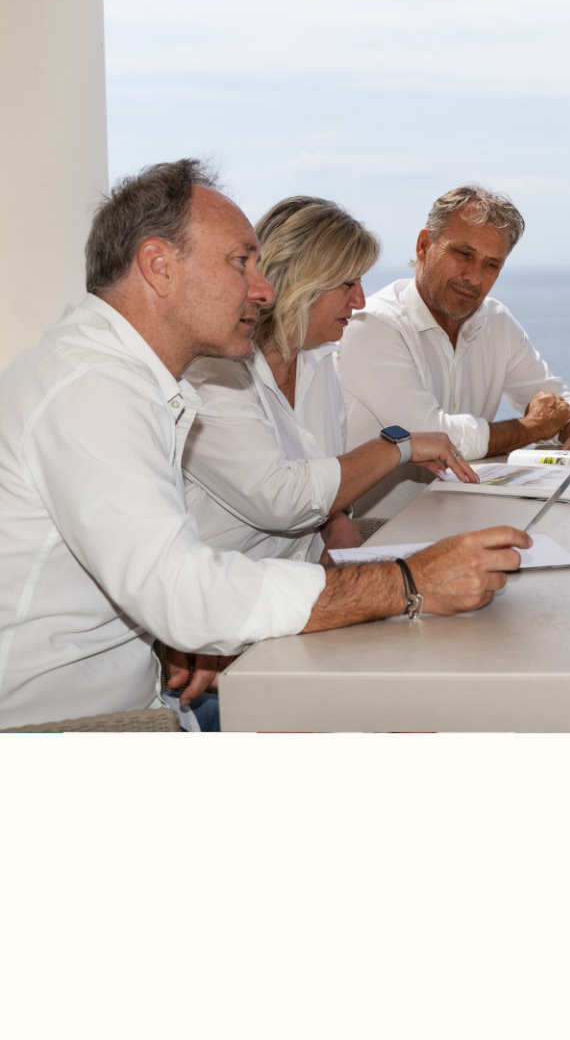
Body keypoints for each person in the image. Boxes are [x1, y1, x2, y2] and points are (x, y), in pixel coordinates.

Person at [0, 161, 528, 731]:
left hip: (146, 694)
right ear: (158, 266)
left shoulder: (125, 380)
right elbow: (187, 589)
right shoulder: (92, 392)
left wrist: (188, 631)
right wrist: (407, 581)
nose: (264, 288)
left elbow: (162, 580)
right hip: (63, 726)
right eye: (240, 262)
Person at [182, 196, 479, 568]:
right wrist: (397, 448)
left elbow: (318, 471)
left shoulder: (318, 358)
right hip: (227, 585)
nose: (360, 300)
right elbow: (281, 500)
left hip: (300, 572)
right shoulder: (213, 372)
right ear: (299, 282)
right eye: (347, 284)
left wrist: (337, 521)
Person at [339, 184, 570, 521]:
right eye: (463, 253)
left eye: (491, 265)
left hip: (464, 518)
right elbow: (430, 435)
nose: (474, 277)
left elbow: (554, 399)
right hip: (378, 531)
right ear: (424, 245)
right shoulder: (373, 325)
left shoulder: (495, 320)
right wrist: (531, 428)